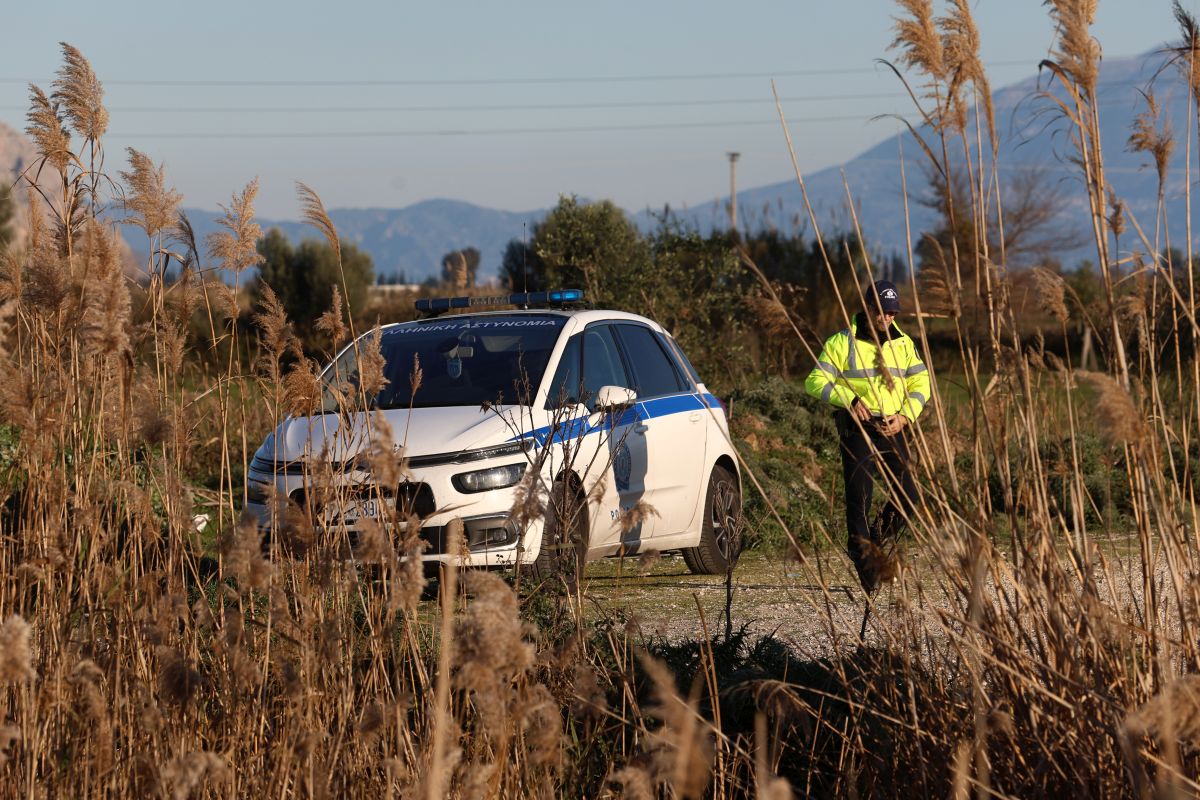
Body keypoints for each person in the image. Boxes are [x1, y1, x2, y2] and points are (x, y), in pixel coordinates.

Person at [804, 280, 930, 593]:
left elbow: (922, 384)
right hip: (858, 428)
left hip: (893, 426)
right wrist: (848, 399)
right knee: (860, 498)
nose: (887, 317)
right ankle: (865, 563)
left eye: (893, 312)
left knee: (909, 496)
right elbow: (814, 381)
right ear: (868, 307)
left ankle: (874, 540)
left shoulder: (904, 344)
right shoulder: (840, 342)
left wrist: (905, 416)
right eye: (882, 311)